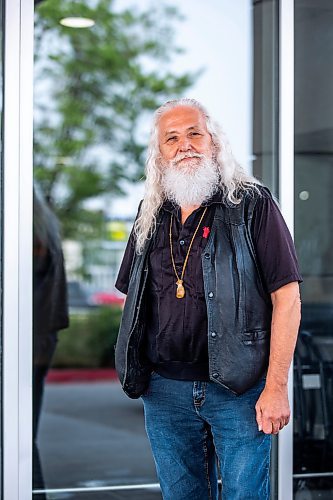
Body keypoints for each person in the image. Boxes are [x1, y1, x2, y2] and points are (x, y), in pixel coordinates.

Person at [115, 98, 302, 500]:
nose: (184, 145)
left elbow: (287, 297)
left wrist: (276, 386)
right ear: (160, 153)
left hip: (239, 388)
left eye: (194, 133)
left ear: (213, 142)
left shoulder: (252, 203)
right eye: (172, 138)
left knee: (244, 496)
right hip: (164, 392)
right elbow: (135, 299)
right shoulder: (149, 214)